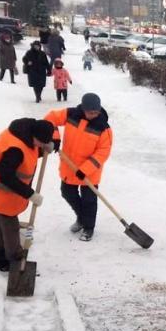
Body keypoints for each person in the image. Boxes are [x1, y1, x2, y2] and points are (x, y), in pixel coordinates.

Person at [0, 118, 55, 271]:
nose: (39, 145)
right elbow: (6, 176)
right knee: (10, 225)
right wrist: (30, 194)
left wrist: (45, 148)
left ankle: (1, 260)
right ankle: (15, 260)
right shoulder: (15, 149)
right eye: (39, 142)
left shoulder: (25, 133)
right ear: (33, 135)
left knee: (3, 222)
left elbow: (30, 151)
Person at [43, 93, 112, 242]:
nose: (93, 115)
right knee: (67, 193)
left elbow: (103, 152)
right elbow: (50, 118)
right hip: (69, 167)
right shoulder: (71, 114)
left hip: (90, 172)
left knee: (89, 200)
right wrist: (55, 138)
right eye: (90, 112)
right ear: (83, 108)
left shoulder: (103, 128)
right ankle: (81, 218)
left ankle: (88, 227)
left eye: (96, 112)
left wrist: (85, 170)